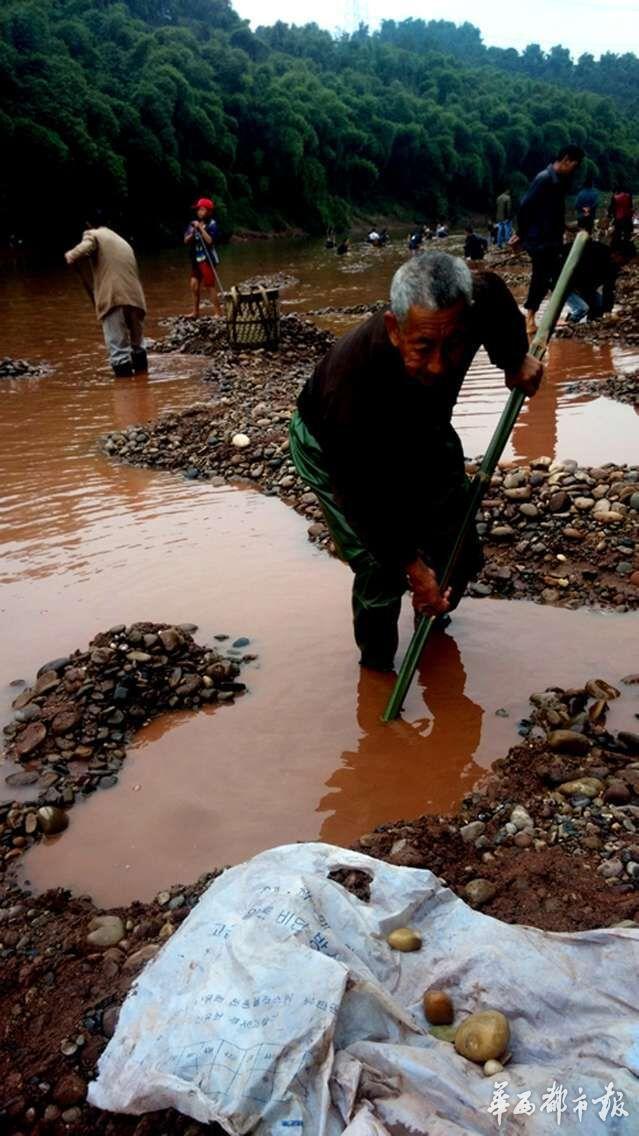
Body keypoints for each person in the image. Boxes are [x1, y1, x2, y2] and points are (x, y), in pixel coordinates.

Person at [289, 252, 543, 671]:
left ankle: (435, 625)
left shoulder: (473, 302)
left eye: (454, 344)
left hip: (423, 426)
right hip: (332, 446)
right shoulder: (351, 384)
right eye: (423, 347)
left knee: (454, 539)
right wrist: (410, 564)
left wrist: (514, 359)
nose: (440, 365)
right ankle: (377, 673)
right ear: (394, 328)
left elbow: (497, 299)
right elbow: (361, 494)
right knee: (379, 567)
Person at [64, 212, 147, 378]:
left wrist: (71, 255)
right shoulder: (120, 240)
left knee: (118, 351)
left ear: (89, 224)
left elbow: (85, 246)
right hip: (135, 298)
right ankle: (143, 387)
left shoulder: (93, 234)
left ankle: (125, 395)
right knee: (138, 346)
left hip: (114, 297)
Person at [514, 144, 584, 336]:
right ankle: (530, 319)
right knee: (541, 277)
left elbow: (553, 211)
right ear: (566, 159)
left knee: (551, 277)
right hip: (540, 240)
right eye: (574, 165)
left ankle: (545, 316)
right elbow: (526, 207)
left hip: (551, 238)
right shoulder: (544, 179)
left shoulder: (558, 181)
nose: (574, 170)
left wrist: (567, 227)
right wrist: (520, 234)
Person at [565, 238, 636, 323]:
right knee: (582, 308)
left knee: (599, 305)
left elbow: (609, 288)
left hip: (584, 286)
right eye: (626, 260)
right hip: (565, 282)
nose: (625, 264)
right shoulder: (595, 251)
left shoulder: (614, 266)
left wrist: (607, 311)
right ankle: (569, 324)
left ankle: (592, 324)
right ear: (617, 254)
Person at [184, 197, 221, 318]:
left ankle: (218, 312)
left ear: (209, 212)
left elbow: (210, 241)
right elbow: (186, 240)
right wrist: (194, 231)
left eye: (203, 210)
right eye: (198, 210)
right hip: (196, 258)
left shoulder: (212, 224)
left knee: (209, 285)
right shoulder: (193, 224)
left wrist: (200, 229)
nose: (200, 212)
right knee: (194, 285)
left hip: (207, 258)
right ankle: (195, 312)